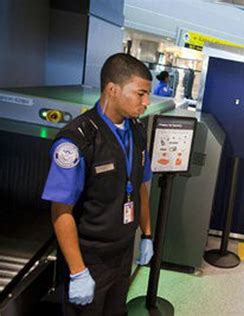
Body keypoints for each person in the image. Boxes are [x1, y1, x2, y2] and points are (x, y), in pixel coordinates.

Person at [42, 53, 154, 314]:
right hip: (89, 257)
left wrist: (146, 234)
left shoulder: (136, 132)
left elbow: (140, 186)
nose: (146, 102)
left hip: (123, 251)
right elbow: (61, 212)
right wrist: (78, 271)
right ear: (112, 89)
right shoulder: (77, 141)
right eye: (140, 94)